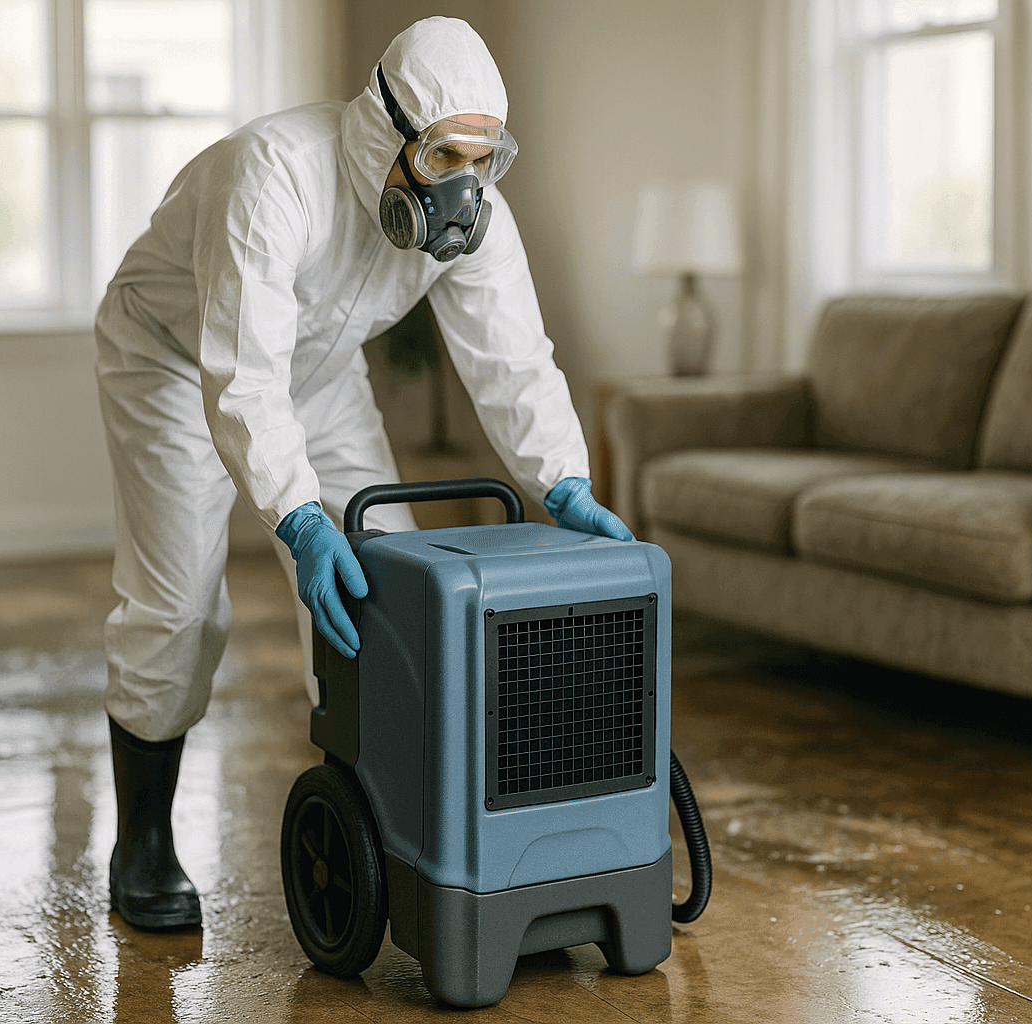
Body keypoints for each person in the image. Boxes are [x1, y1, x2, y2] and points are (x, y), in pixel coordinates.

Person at [93, 16, 633, 931]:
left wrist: (565, 484)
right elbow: (243, 377)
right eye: (443, 156)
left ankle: (372, 809)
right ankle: (142, 840)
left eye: (483, 158)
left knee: (390, 580)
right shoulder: (272, 177)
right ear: (387, 129)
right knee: (181, 604)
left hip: (322, 372)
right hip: (175, 361)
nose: (462, 185)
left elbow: (514, 361)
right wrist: (299, 520)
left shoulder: (473, 220)